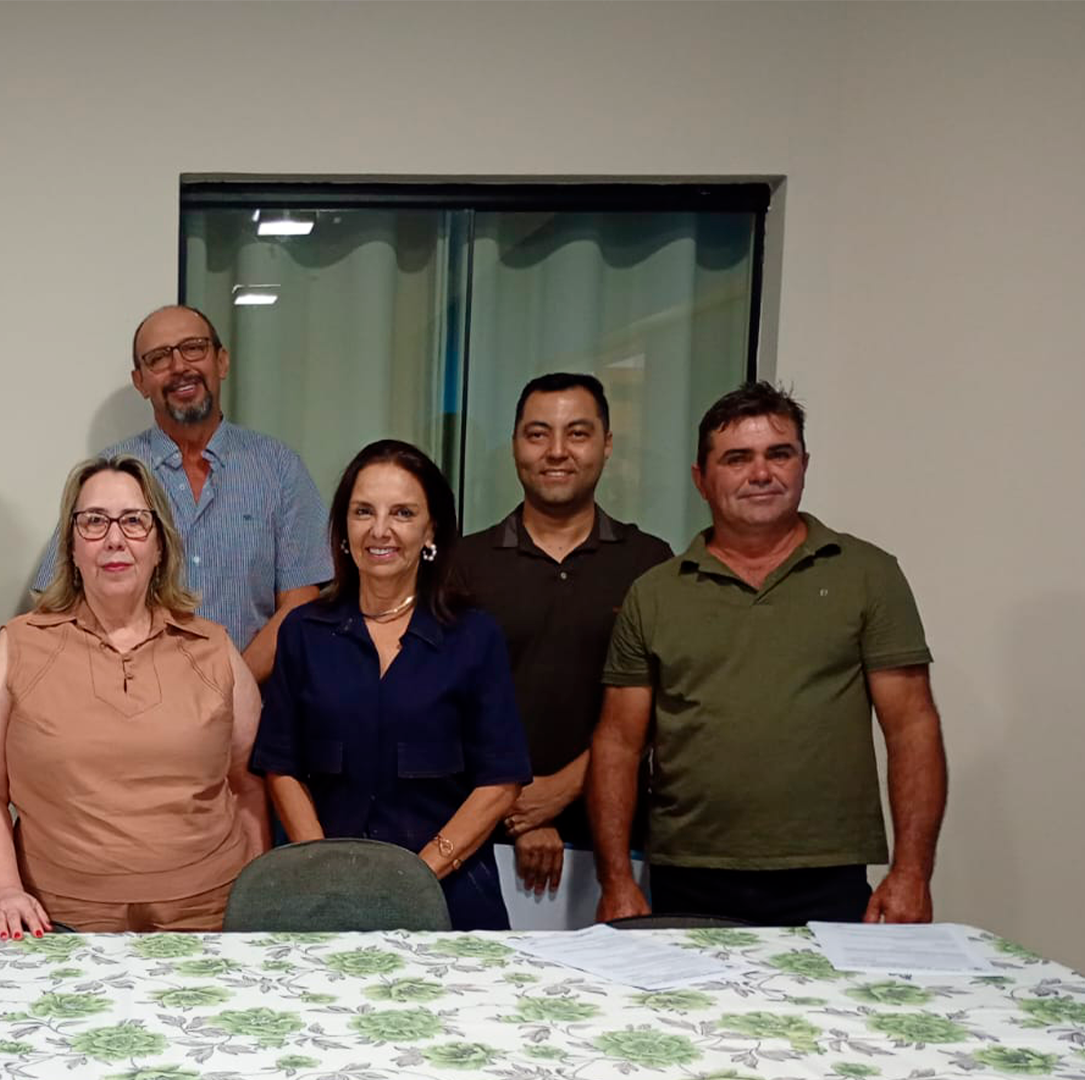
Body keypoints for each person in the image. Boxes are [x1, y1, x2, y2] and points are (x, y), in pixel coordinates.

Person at [590, 382, 947, 926]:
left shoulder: (869, 575)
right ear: (701, 480)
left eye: (779, 454)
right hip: (687, 871)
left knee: (830, 1014)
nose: (762, 473)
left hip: (827, 875)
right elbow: (618, 743)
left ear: (804, 464)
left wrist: (912, 873)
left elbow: (912, 728)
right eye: (737, 459)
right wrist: (615, 880)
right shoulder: (656, 592)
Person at [0, 455, 269, 935]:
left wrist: (257, 896)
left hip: (209, 917)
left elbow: (249, 783)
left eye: (134, 521)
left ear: (161, 545)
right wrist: (3, 891)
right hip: (57, 921)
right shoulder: (18, 644)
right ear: (72, 547)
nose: (114, 539)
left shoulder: (212, 647)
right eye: (93, 522)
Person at [253, 439, 532, 930]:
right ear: (343, 529)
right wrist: (323, 867)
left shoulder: (473, 636)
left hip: (450, 896)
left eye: (402, 513)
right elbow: (282, 766)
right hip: (327, 897)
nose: (380, 530)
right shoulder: (303, 632)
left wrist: (416, 877)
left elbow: (500, 781)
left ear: (431, 530)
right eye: (364, 512)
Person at [457, 374, 671, 898]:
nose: (557, 451)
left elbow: (661, 708)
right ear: (514, 445)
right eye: (537, 434)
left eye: (577, 433)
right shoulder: (462, 565)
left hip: (622, 846)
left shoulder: (650, 563)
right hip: (481, 835)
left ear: (606, 444)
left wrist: (557, 792)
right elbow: (447, 707)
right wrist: (520, 808)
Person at [31, 305, 328, 680]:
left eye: (193, 348)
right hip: (132, 714)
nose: (179, 367)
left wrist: (230, 688)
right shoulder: (109, 474)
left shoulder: (279, 468)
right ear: (140, 381)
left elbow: (299, 604)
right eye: (159, 358)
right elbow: (57, 601)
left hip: (253, 708)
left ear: (221, 361)